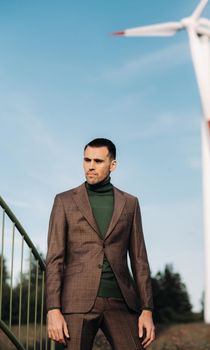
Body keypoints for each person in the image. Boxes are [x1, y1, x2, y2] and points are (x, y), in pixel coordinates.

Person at [45, 138, 155, 350]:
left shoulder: (130, 203)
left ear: (112, 165)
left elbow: (140, 259)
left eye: (98, 161)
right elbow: (54, 259)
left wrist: (147, 309)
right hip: (76, 302)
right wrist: (53, 309)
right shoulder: (64, 201)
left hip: (121, 300)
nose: (91, 166)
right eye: (87, 160)